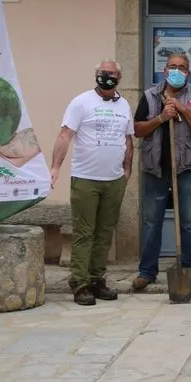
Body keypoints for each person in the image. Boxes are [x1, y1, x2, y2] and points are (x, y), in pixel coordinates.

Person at [49, 59, 133, 306]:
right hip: (86, 179)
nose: (106, 77)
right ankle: (80, 283)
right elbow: (65, 135)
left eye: (111, 74)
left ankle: (97, 279)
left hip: (113, 180)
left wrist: (127, 170)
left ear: (119, 77)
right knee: (84, 233)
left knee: (105, 232)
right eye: (102, 73)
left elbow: (128, 140)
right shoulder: (81, 102)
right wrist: (55, 167)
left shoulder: (124, 104)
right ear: (96, 75)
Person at [132, 54, 191, 292]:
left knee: (187, 222)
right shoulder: (149, 96)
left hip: (185, 167)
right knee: (151, 222)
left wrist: (182, 111)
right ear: (165, 71)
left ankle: (190, 268)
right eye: (173, 67)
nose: (178, 71)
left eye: (183, 68)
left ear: (189, 72)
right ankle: (147, 271)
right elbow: (137, 129)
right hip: (155, 168)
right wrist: (161, 117)